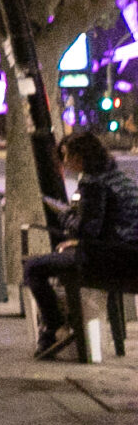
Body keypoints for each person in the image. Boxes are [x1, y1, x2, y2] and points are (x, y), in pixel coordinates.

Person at [24, 131, 138, 358]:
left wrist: (64, 216)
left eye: (67, 156)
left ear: (81, 156)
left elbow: (87, 230)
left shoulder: (92, 183)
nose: (65, 163)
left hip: (107, 263)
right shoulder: (120, 178)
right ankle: (54, 330)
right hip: (129, 260)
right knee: (60, 258)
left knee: (33, 267)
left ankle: (53, 325)